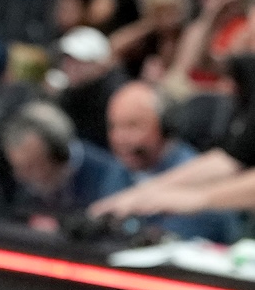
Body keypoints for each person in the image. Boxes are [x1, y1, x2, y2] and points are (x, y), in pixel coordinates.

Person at [100, 81, 241, 242]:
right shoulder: (118, 169)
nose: (119, 138)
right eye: (114, 126)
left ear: (165, 126)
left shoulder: (198, 177)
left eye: (133, 126)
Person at [2, 101, 122, 215]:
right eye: (17, 167)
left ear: (59, 154)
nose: (21, 176)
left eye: (31, 166)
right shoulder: (25, 188)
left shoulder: (110, 178)